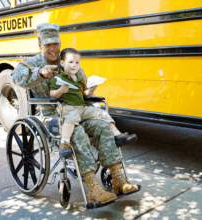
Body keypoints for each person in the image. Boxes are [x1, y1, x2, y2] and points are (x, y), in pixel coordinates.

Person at [12, 23, 139, 205]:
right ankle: (94, 189)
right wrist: (40, 72)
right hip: (51, 115)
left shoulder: (68, 60)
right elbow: (17, 77)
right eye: (48, 45)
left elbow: (83, 89)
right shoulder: (33, 63)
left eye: (56, 43)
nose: (53, 49)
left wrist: (89, 90)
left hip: (77, 111)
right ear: (39, 43)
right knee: (77, 132)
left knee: (102, 126)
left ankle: (119, 180)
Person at [49, 48, 136, 153]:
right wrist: (60, 90)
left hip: (82, 107)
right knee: (71, 118)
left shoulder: (79, 79)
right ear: (62, 63)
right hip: (68, 106)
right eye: (71, 62)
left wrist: (90, 90)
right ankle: (64, 143)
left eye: (77, 62)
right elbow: (52, 94)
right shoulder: (59, 79)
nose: (74, 65)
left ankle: (117, 135)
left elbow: (85, 94)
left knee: (102, 113)